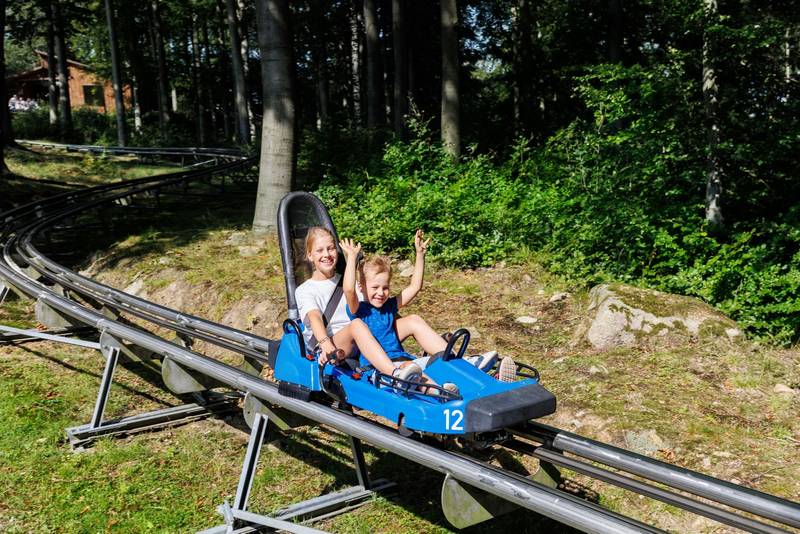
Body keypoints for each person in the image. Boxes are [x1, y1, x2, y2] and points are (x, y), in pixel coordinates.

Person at [339, 230, 517, 386]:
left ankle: (462, 365)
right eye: (375, 287)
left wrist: (419, 255)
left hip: (405, 362)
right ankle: (447, 388)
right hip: (385, 368)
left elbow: (415, 287)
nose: (381, 293)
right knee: (417, 371)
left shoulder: (388, 307)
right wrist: (352, 258)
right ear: (361, 287)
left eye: (385, 288)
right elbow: (348, 290)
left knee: (416, 326)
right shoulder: (359, 311)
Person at [294, 227, 421, 382]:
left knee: (412, 321)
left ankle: (444, 358)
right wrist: (325, 343)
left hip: (364, 335)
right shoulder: (305, 290)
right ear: (309, 255)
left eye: (331, 248)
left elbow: (374, 307)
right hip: (333, 343)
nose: (326, 254)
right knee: (356, 325)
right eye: (319, 250)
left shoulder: (349, 281)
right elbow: (315, 318)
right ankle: (394, 374)